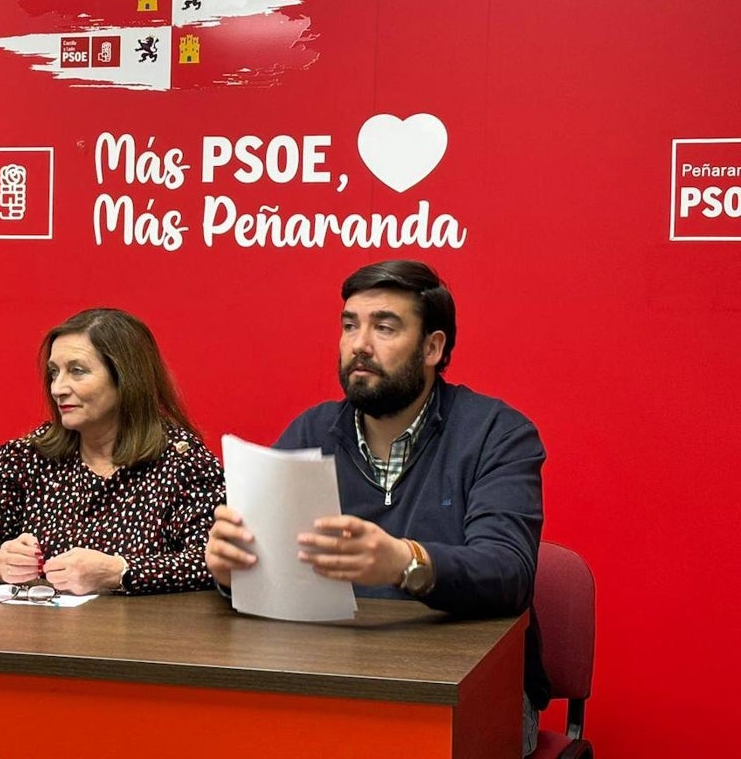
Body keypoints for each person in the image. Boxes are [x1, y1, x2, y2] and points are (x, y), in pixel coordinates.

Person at [205, 260, 549, 755]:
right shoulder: (312, 431)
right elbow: (264, 564)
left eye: (384, 327)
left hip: (469, 692)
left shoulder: (497, 433)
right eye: (350, 325)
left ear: (432, 347)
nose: (359, 344)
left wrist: (403, 561)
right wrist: (232, 570)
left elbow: (508, 570)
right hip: (336, 680)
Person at [0, 308, 224, 595]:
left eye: (77, 371)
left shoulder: (183, 462)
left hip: (141, 635)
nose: (57, 388)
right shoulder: (32, 457)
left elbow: (209, 563)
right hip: (41, 634)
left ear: (125, 377)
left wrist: (119, 572)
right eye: (54, 373)